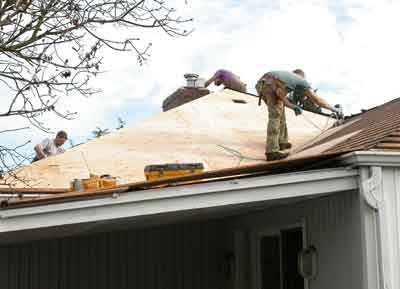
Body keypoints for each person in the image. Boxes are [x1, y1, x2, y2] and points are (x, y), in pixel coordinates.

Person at [256, 70, 340, 161]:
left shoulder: (286, 78)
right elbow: (317, 100)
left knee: (279, 110)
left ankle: (281, 142)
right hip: (269, 86)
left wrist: (293, 107)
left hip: (262, 85)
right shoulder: (301, 81)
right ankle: (271, 152)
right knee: (275, 115)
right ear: (302, 77)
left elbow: (280, 95)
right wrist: (333, 109)